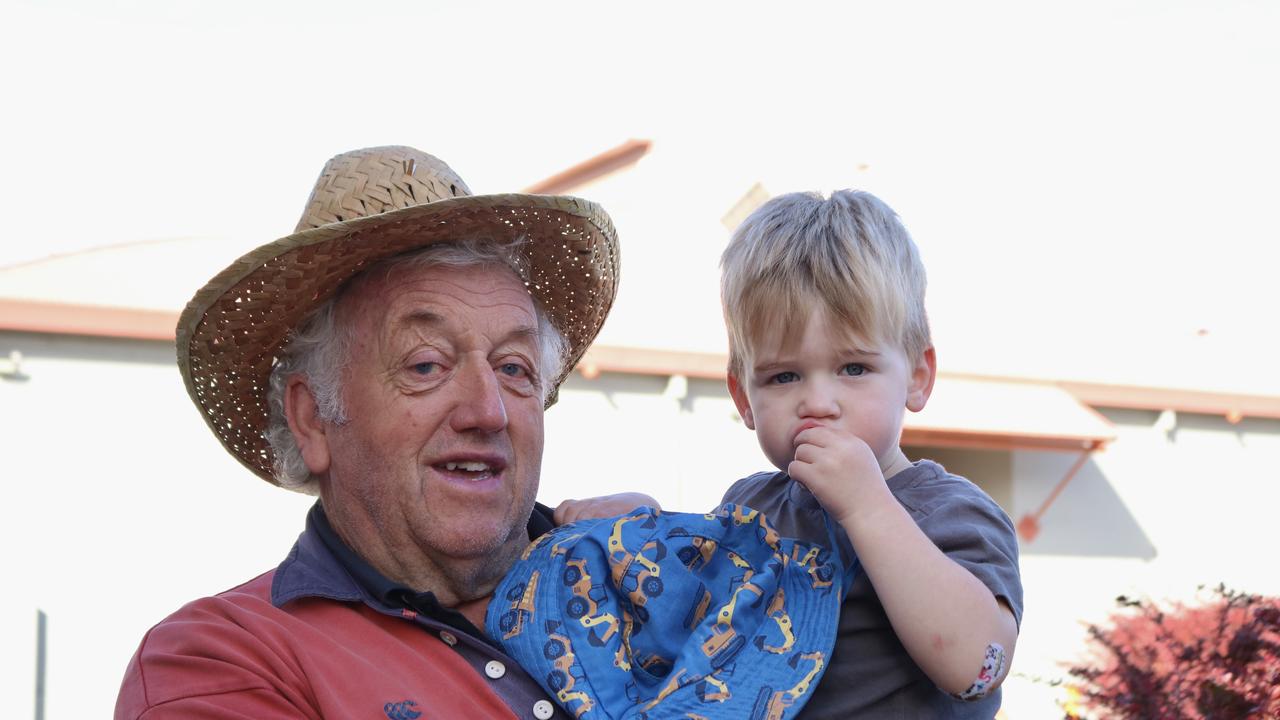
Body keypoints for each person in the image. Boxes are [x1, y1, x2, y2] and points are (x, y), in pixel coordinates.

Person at [115, 145, 623, 720]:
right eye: (426, 364)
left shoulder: (643, 579)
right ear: (312, 419)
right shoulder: (221, 658)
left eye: (514, 368)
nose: (488, 412)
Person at [559, 189, 1023, 718]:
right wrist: (646, 527)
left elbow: (975, 668)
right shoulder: (749, 507)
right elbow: (683, 622)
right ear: (744, 398)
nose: (818, 403)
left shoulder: (950, 512)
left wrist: (867, 506)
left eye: (854, 369)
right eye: (784, 376)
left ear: (917, 378)